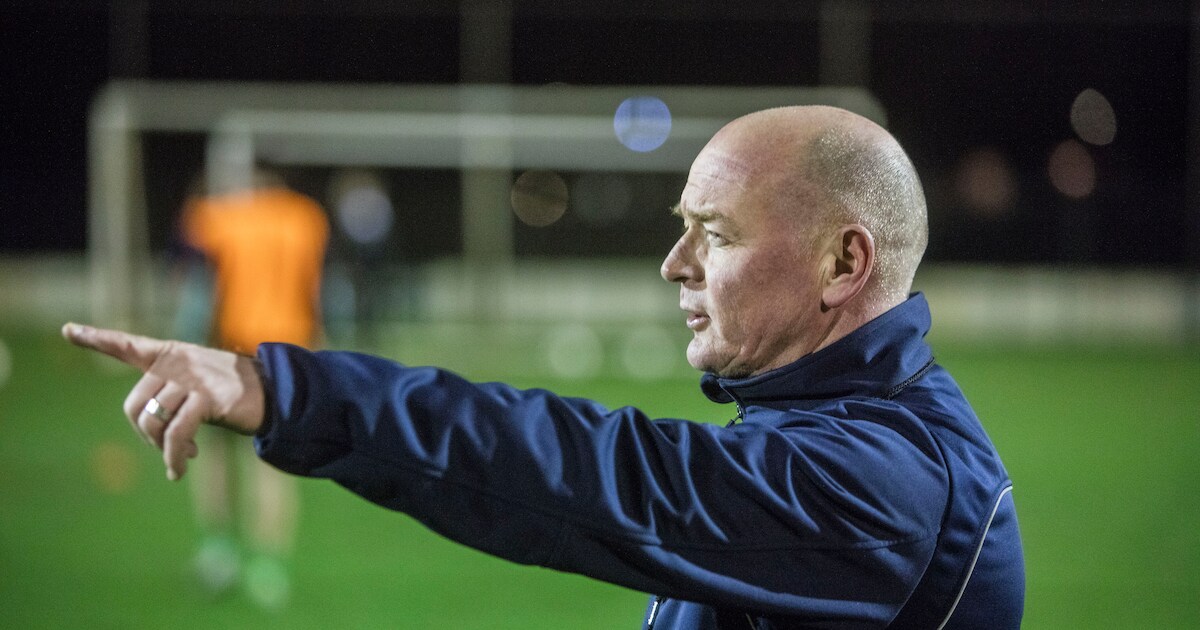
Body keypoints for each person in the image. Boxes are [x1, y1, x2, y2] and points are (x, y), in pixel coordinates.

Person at [64, 105, 1024, 628]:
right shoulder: (816, 417)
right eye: (679, 228)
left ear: (843, 264)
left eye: (715, 235)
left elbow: (596, 473)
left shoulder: (893, 483)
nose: (674, 264)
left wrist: (295, 391)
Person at [170, 168, 329, 608]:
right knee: (272, 463)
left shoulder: (225, 217)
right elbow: (314, 289)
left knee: (214, 453)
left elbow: (201, 282)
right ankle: (269, 567)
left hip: (231, 348)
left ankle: (219, 552)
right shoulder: (307, 218)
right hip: (288, 354)